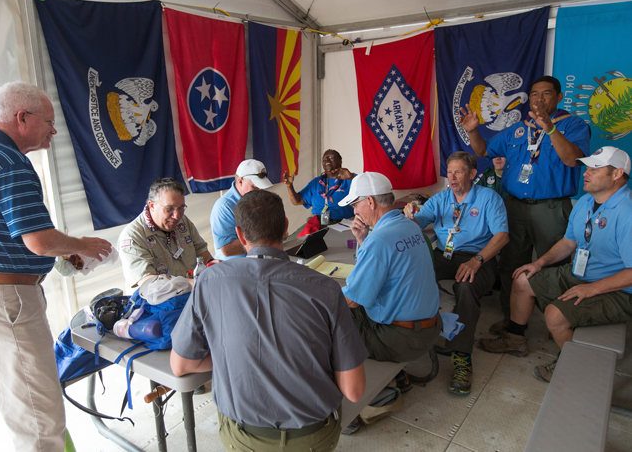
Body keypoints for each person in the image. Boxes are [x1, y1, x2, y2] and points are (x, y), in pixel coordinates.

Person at [0, 81, 112, 452]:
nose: (53, 131)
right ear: (22, 118)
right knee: (41, 417)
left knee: (18, 405)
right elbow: (37, 240)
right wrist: (82, 245)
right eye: (49, 122)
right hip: (9, 301)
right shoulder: (10, 162)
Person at [170, 190, 368, 451]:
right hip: (313, 437)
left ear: (240, 235)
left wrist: (234, 355)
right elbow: (354, 390)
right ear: (285, 228)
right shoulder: (326, 288)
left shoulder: (208, 281)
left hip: (244, 439)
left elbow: (181, 365)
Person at [477, 147, 632, 382]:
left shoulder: (627, 212)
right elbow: (569, 242)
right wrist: (539, 263)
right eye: (586, 168)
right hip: (581, 274)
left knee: (554, 315)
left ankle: (576, 365)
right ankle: (515, 339)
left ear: (617, 174)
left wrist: (589, 289)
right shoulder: (585, 203)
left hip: (617, 290)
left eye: (594, 168)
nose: (585, 173)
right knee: (522, 279)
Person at [459, 75, 591, 335]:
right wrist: (473, 131)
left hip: (551, 208)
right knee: (511, 264)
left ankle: (558, 323)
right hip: (515, 207)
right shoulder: (519, 128)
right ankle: (512, 323)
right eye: (534, 94)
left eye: (546, 93)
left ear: (559, 97)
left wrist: (551, 129)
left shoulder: (574, 125)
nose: (539, 99)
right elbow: (484, 150)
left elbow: (574, 160)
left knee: (552, 267)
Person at [339, 172, 440, 428]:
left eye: (355, 205)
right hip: (429, 327)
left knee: (331, 320)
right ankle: (400, 376)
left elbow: (352, 301)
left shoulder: (380, 240)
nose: (354, 212)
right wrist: (362, 239)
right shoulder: (409, 225)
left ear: (370, 202)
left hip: (401, 339)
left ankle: (348, 405)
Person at [404, 151, 509, 395]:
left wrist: (477, 260)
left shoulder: (488, 198)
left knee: (465, 286)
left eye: (458, 171)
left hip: (478, 257)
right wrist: (410, 217)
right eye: (449, 172)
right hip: (444, 254)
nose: (451, 177)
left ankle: (462, 358)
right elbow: (419, 222)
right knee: (410, 274)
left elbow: (502, 236)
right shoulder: (440, 199)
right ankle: (411, 333)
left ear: (472, 174)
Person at [118, 178, 214, 289]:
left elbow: (201, 251)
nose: (176, 216)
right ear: (152, 205)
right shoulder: (132, 236)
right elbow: (148, 282)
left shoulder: (182, 221)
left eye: (181, 208)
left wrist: (212, 264)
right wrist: (195, 284)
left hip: (193, 293)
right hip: (157, 303)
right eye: (169, 209)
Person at [210, 159, 272, 260]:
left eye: (261, 187)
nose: (260, 191)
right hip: (234, 267)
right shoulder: (223, 207)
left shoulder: (256, 198)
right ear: (240, 181)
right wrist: (267, 239)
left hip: (257, 260)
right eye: (254, 187)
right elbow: (227, 249)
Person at [283, 149, 356, 223]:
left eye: (330, 156)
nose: (326, 159)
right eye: (323, 158)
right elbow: (297, 201)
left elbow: (367, 191)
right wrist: (289, 186)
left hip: (344, 223)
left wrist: (351, 177)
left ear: (340, 160)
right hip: (318, 224)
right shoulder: (316, 182)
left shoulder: (349, 178)